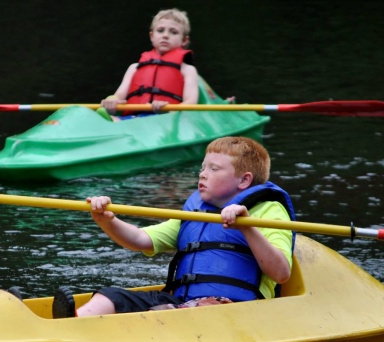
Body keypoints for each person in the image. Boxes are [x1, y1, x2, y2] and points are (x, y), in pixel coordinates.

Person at [52, 136, 296, 318]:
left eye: (214, 169)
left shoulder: (268, 212)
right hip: (182, 301)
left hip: (232, 307)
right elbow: (139, 239)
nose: (202, 175)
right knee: (109, 296)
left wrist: (247, 226)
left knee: (178, 309)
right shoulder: (196, 213)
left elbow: (281, 273)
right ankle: (76, 323)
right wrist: (106, 220)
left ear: (244, 180)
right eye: (202, 167)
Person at [97, 8, 199, 121]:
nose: (165, 35)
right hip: (134, 117)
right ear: (152, 36)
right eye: (160, 30)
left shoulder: (188, 70)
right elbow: (119, 96)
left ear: (184, 40)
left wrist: (168, 110)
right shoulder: (134, 68)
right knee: (106, 118)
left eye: (173, 32)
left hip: (167, 118)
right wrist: (112, 101)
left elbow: (190, 103)